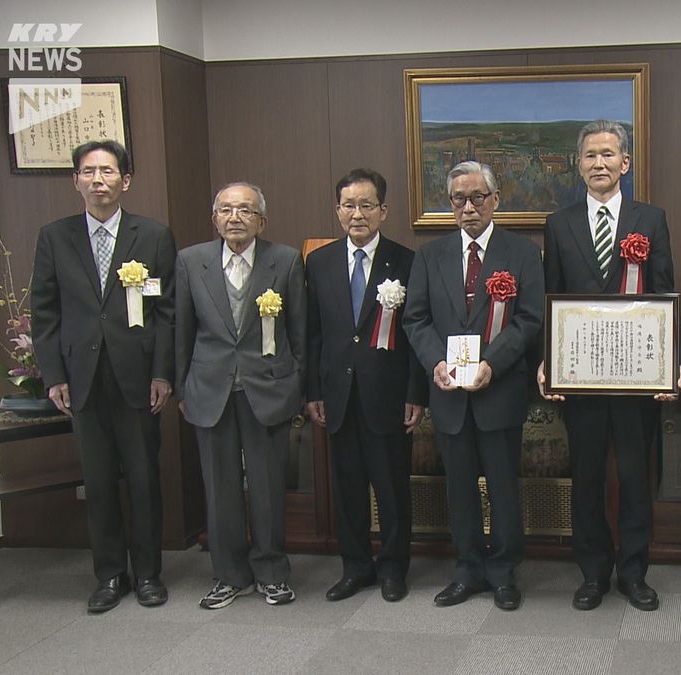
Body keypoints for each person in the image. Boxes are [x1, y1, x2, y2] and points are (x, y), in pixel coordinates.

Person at [539, 120, 681, 612]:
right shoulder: (559, 224)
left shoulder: (651, 219)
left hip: (636, 376)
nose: (599, 163)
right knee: (587, 480)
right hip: (580, 376)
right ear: (578, 165)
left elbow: (664, 293)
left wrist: (671, 363)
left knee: (636, 479)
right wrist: (547, 362)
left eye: (608, 154)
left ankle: (635, 573)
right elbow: (550, 298)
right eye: (590, 155)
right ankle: (593, 573)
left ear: (626, 163)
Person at [30, 140, 175, 613]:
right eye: (88, 172)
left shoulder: (152, 235)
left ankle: (149, 573)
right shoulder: (54, 237)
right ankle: (110, 575)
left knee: (143, 479)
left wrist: (162, 373)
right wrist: (54, 375)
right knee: (97, 482)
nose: (98, 180)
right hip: (82, 379)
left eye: (107, 171)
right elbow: (44, 313)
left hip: (138, 379)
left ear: (125, 180)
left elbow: (167, 313)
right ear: (75, 180)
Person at [403, 161, 544, 611]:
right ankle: (466, 569)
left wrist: (493, 364)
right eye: (458, 199)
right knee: (459, 489)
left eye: (477, 197)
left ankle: (503, 572)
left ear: (495, 200)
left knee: (503, 487)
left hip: (498, 391)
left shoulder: (522, 253)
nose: (468, 207)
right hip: (448, 394)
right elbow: (416, 319)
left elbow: (529, 320)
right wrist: (435, 362)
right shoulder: (430, 255)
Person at [175, 182, 304, 608]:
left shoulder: (284, 261)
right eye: (226, 210)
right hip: (210, 389)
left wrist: (297, 385)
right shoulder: (191, 261)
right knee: (220, 487)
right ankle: (230, 574)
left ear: (261, 221)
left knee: (268, 486)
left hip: (266, 388)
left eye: (245, 210)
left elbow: (300, 332)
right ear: (214, 219)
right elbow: (182, 332)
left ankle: (271, 571)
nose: (235, 217)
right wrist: (181, 387)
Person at [306, 169, 427, 603]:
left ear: (383, 210)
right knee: (348, 489)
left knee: (392, 488)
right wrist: (312, 392)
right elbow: (312, 333)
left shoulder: (408, 261)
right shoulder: (318, 262)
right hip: (338, 397)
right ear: (338, 210)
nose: (357, 214)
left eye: (366, 205)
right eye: (349, 205)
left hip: (389, 396)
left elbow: (416, 334)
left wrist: (417, 393)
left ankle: (394, 569)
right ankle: (356, 567)